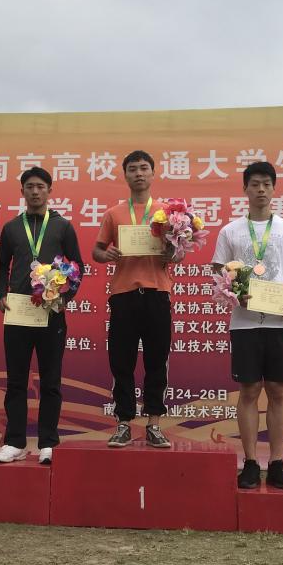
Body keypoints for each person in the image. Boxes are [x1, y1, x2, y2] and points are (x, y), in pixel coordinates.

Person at [212, 161, 283, 490]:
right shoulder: (230, 231)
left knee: (278, 390)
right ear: (245, 189)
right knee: (249, 390)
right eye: (254, 184)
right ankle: (251, 463)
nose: (260, 189)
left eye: (266, 184)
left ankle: (278, 463)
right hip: (245, 324)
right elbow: (218, 271)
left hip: (281, 323)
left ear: (274, 188)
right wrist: (233, 293)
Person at [0, 167, 84, 465]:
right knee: (16, 381)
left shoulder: (62, 227)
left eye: (40, 186)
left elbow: (77, 266)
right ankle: (15, 442)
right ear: (22, 191)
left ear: (49, 190)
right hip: (18, 312)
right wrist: (2, 293)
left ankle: (48, 442)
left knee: (50, 381)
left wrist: (65, 298)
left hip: (50, 313)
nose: (35, 191)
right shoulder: (11, 228)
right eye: (29, 186)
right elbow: (1, 264)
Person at [93, 150, 174, 448]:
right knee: (121, 361)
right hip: (124, 295)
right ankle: (123, 423)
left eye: (143, 168)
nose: (138, 173)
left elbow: (178, 253)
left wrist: (171, 252)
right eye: (133, 169)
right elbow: (97, 251)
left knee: (157, 360)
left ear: (153, 173)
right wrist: (108, 254)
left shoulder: (168, 213)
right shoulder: (113, 213)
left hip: (157, 294)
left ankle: (154, 423)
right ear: (125, 175)